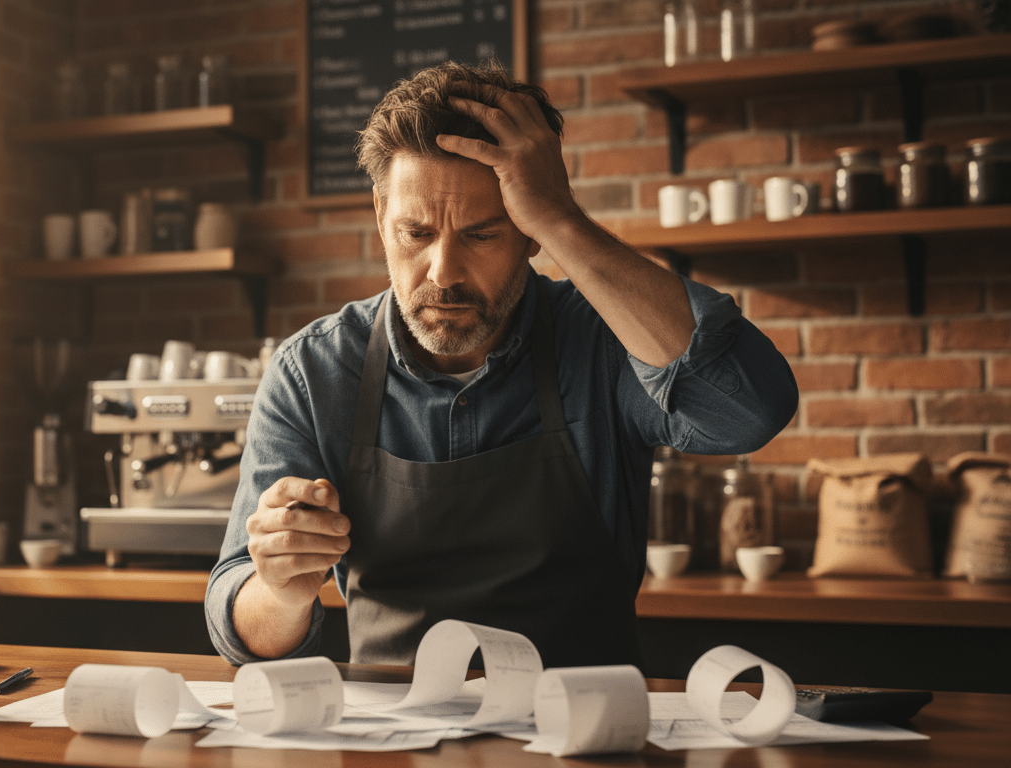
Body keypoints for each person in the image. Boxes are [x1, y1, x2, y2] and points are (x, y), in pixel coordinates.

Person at [205, 61, 797, 669]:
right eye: (415, 232)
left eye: (483, 235)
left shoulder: (604, 339)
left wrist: (562, 216)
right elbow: (242, 633)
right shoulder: (313, 371)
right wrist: (281, 589)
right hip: (394, 743)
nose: (443, 273)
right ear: (381, 216)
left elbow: (749, 413)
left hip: (582, 738)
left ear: (530, 229)